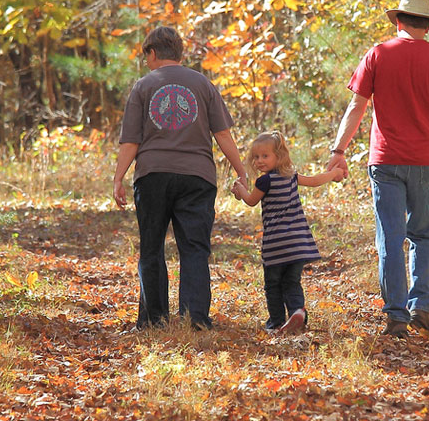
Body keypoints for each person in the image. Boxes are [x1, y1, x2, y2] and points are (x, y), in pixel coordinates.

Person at [326, 0, 429, 339]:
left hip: (386, 160)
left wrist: (339, 150)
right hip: (425, 162)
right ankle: (420, 306)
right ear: (427, 24)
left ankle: (395, 316)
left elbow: (356, 108)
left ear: (399, 21)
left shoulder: (378, 54)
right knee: (422, 234)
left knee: (391, 238)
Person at [113, 26, 247, 330]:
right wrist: (241, 170)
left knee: (151, 247)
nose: (145, 62)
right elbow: (222, 134)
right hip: (197, 177)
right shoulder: (203, 84)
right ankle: (195, 319)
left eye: (145, 56)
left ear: (152, 53)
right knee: (195, 249)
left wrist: (118, 178)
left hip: (152, 176)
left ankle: (153, 321)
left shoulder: (143, 86)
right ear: (180, 53)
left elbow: (131, 141)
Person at [231, 131, 345, 334]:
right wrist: (334, 174)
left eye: (265, 156)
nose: (259, 161)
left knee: (273, 284)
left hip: (276, 245)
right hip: (298, 244)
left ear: (279, 156)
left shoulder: (264, 182)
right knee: (292, 281)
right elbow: (315, 180)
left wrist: (239, 189)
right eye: (256, 157)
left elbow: (250, 200)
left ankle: (275, 323)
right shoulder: (291, 177)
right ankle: (297, 312)